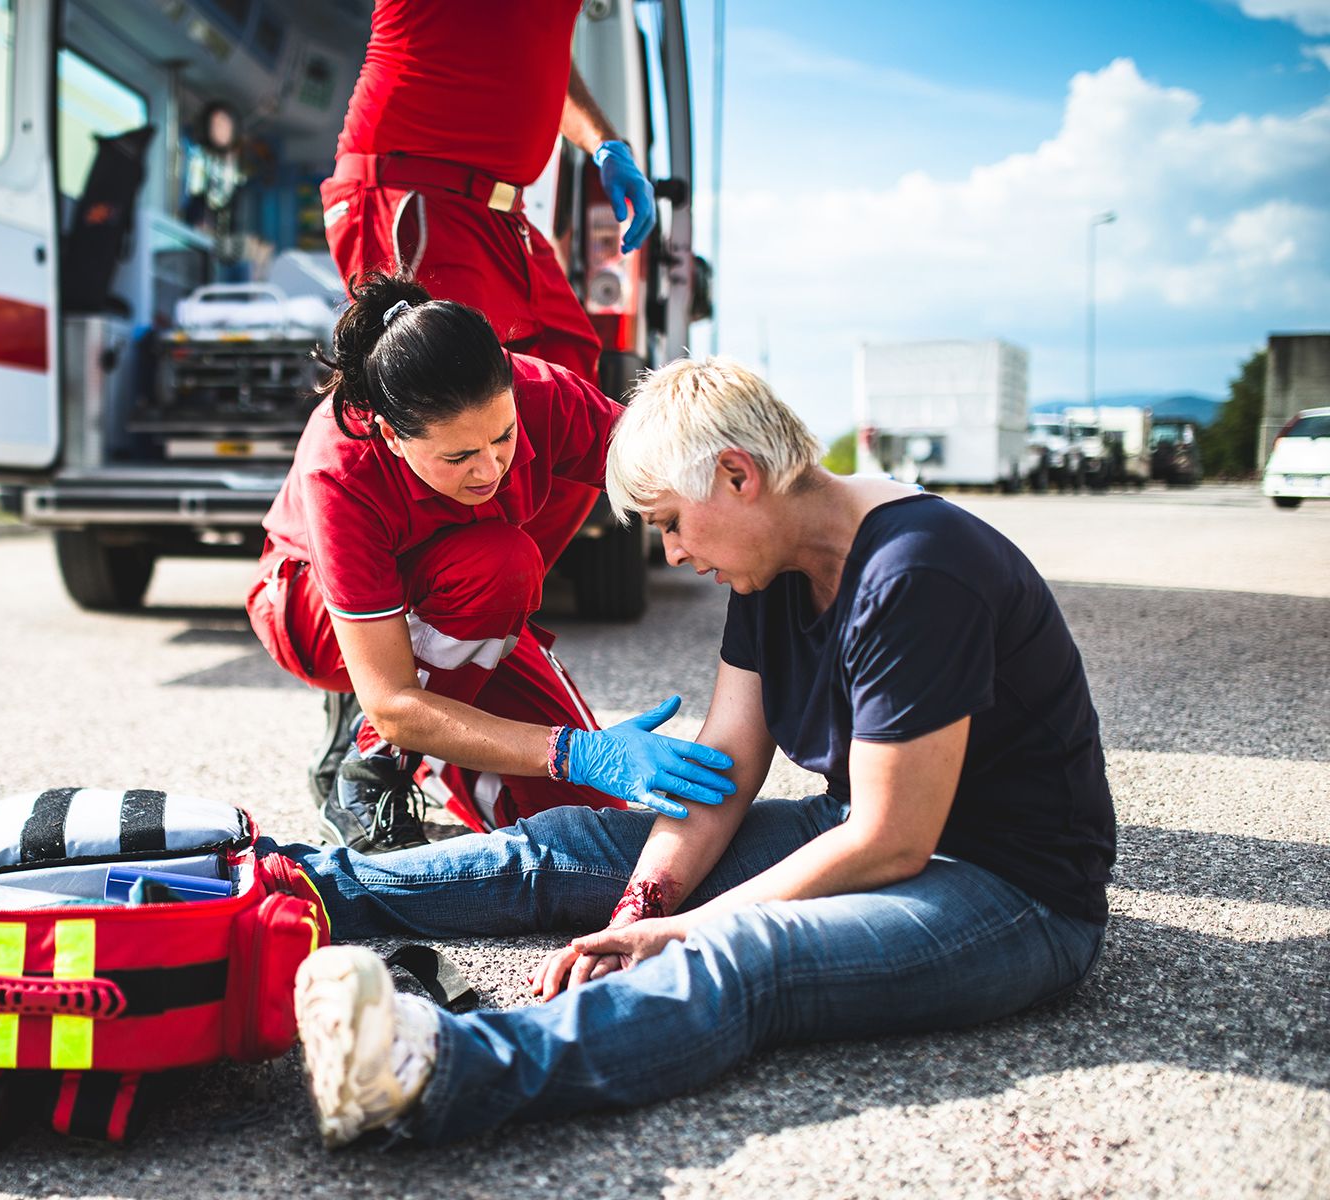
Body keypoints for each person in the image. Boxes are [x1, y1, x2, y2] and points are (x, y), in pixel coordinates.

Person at [272, 357, 1118, 1147]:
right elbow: (725, 768)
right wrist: (643, 904)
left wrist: (679, 930)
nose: (673, 552)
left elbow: (893, 838)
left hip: (1012, 890)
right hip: (868, 827)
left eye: (672, 523)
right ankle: (295, 889)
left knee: (743, 954)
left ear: (738, 475)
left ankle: (437, 1071)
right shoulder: (773, 559)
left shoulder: (917, 572)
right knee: (580, 845)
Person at [306, 0, 660, 813]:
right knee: (444, 408)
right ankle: (378, 711)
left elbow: (536, 40)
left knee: (565, 384)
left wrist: (600, 138)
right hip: (414, 176)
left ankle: (478, 628)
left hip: (504, 208)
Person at [246, 273, 736, 853]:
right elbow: (394, 704)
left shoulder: (543, 393)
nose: (490, 470)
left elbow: (672, 471)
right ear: (391, 436)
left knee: (591, 827)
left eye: (503, 438)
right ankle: (374, 762)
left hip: (465, 611)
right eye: (458, 456)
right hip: (315, 613)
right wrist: (572, 751)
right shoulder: (342, 464)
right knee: (500, 566)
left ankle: (438, 735)